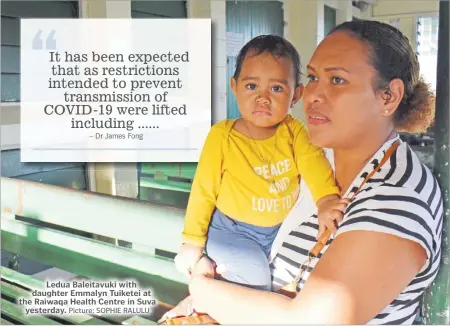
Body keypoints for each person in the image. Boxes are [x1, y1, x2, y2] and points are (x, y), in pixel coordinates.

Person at [164, 19, 443, 324]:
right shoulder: (315, 162)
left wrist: (204, 290)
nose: (312, 95)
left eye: (337, 80)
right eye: (312, 77)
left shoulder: (397, 200)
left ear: (387, 96)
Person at [175, 35, 348, 291]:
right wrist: (192, 242)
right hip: (232, 233)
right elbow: (203, 190)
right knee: (257, 284)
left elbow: (313, 163)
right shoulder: (223, 136)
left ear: (296, 95)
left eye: (276, 89)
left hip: (277, 233)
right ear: (234, 86)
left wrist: (326, 199)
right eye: (251, 86)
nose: (263, 98)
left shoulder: (294, 132)